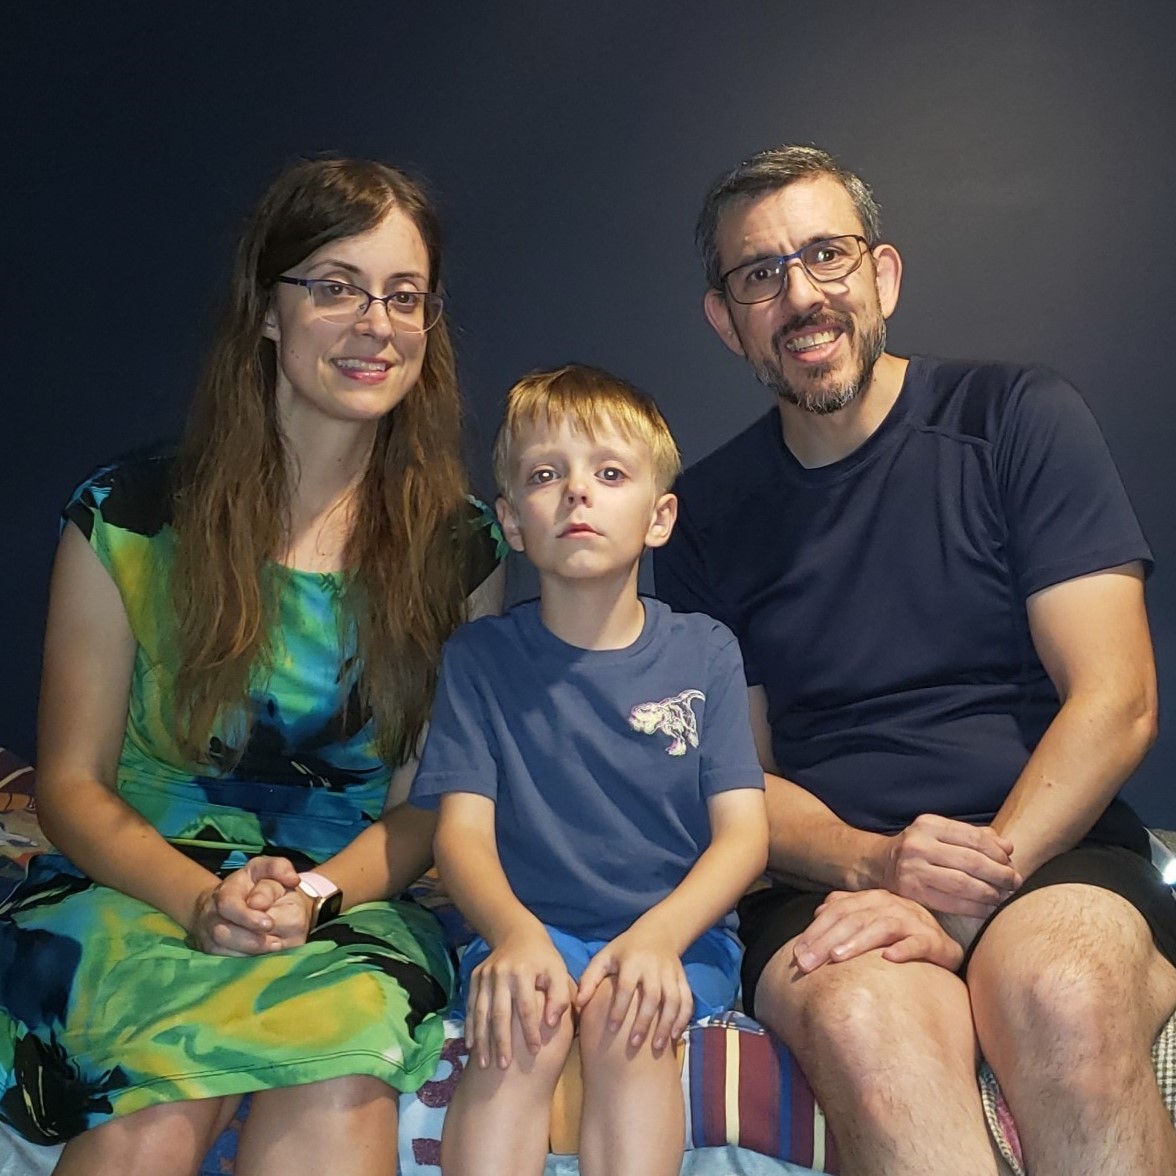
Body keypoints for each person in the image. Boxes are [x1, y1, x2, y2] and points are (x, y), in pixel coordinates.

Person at [654, 144, 1176, 1176]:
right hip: (835, 875)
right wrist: (877, 865)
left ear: (882, 274)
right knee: (863, 1026)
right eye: (760, 274)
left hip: (1048, 846)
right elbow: (739, 783)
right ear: (727, 320)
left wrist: (967, 886)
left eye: (826, 255)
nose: (801, 295)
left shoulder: (1017, 419)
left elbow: (1116, 700)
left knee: (1065, 990)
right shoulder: (703, 518)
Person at [0, 157, 505, 1175]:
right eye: (335, 287)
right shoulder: (127, 518)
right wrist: (199, 901)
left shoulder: (463, 549)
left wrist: (311, 897)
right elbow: (68, 785)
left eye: (404, 297)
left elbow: (423, 808)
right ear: (266, 311)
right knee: (149, 1107)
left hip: (342, 903)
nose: (376, 323)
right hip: (140, 888)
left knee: (337, 1074)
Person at [408, 364, 768, 1176]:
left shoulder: (705, 651)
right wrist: (512, 934)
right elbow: (459, 834)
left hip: (677, 934)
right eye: (545, 475)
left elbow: (743, 837)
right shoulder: (481, 658)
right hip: (527, 928)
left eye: (609, 474)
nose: (577, 494)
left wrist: (660, 939)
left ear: (660, 516)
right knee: (519, 1026)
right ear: (510, 521)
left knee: (627, 1025)